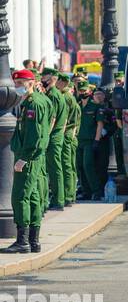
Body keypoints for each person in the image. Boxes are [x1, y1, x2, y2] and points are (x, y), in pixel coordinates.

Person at [5, 70, 53, 254]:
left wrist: (23, 159)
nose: (17, 87)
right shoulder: (35, 101)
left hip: (29, 157)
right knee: (32, 197)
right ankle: (33, 241)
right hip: (34, 156)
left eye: (20, 83)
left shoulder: (33, 104)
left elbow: (34, 135)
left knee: (19, 197)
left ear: (30, 83)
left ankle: (22, 241)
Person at [40, 69, 68, 212]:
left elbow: (52, 118)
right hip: (56, 136)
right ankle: (58, 199)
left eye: (44, 76)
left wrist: (46, 136)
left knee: (54, 168)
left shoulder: (54, 95)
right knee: (53, 168)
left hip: (53, 137)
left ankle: (59, 200)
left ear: (52, 78)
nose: (42, 79)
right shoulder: (54, 93)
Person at [77, 86, 107, 201]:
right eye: (80, 90)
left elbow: (100, 124)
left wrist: (96, 140)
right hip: (79, 140)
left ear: (89, 92)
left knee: (88, 165)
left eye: (84, 91)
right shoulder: (78, 106)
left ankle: (96, 191)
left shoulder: (95, 106)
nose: (82, 93)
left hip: (90, 141)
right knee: (80, 166)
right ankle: (86, 191)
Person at [58, 74, 80, 208]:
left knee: (66, 165)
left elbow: (64, 120)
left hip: (66, 135)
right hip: (69, 135)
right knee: (70, 166)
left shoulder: (65, 97)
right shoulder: (69, 97)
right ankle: (70, 194)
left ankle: (68, 195)